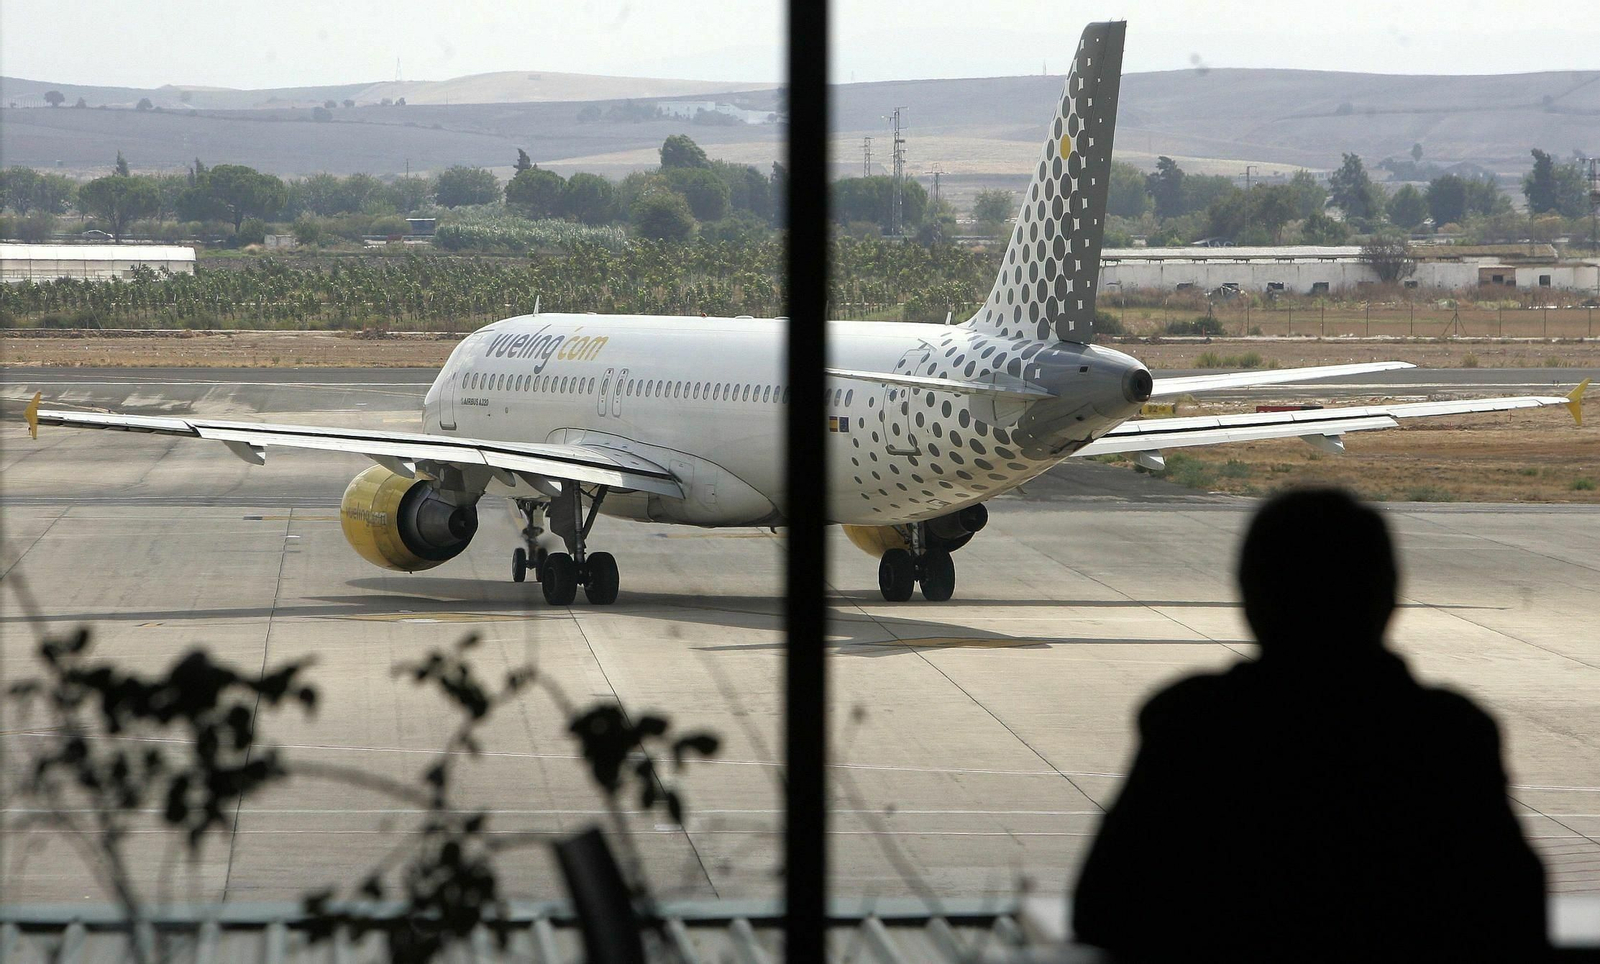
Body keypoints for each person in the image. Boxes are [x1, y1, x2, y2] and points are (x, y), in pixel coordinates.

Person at [1071, 488, 1547, 962]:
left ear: (1251, 595)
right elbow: (1515, 913)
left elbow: (1102, 908)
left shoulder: (1194, 724)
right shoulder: (1448, 734)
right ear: (1387, 595)